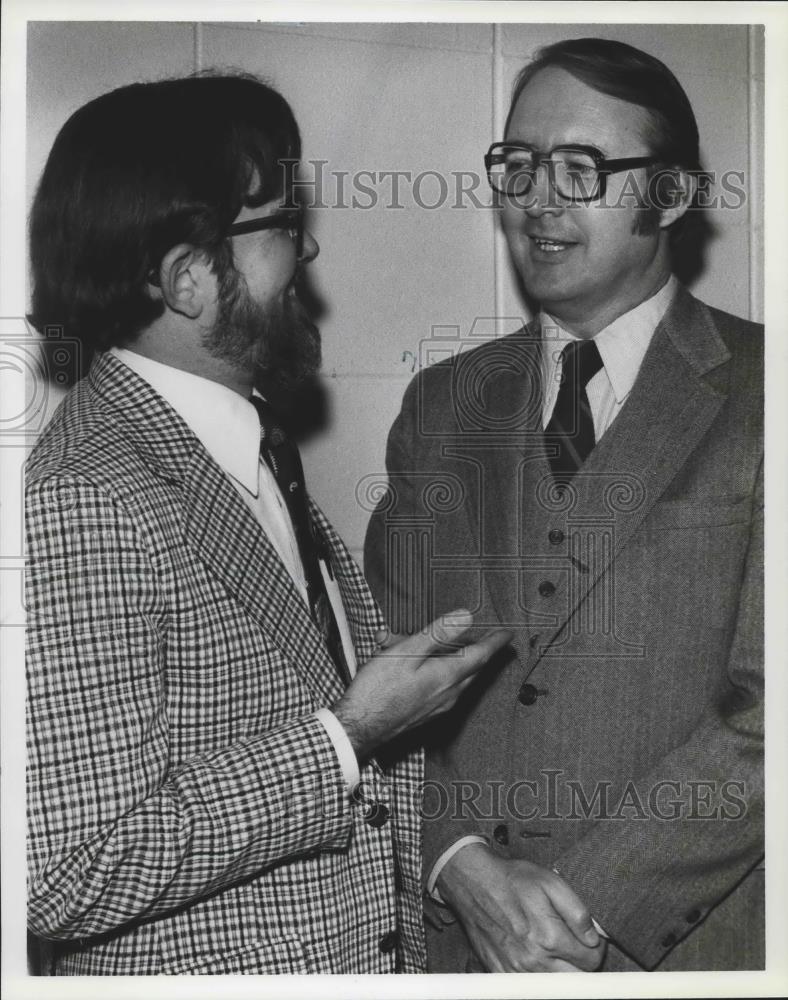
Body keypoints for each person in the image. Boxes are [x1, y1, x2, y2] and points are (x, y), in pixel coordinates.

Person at [24, 73, 511, 976]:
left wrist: (462, 867)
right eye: (283, 226)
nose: (307, 252)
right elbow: (66, 867)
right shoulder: (88, 492)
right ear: (187, 279)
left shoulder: (243, 453)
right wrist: (347, 737)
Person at [365, 37, 763, 973]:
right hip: (457, 950)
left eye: (582, 169)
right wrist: (457, 861)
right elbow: (378, 670)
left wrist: (579, 911)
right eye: (519, 164)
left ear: (670, 196)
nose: (538, 198)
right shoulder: (441, 404)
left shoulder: (766, 390)